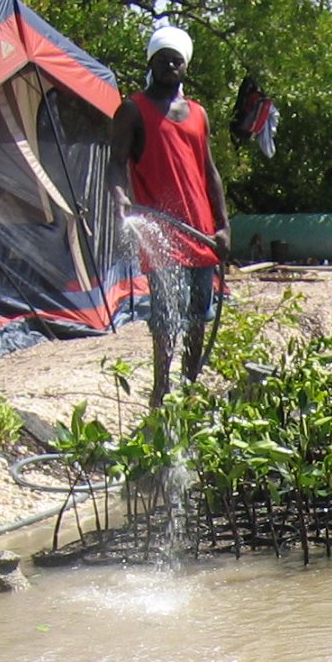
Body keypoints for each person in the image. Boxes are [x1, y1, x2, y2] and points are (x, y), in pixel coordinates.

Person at [111, 25, 229, 404]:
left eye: (176, 60)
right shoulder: (133, 110)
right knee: (165, 317)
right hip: (162, 234)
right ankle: (161, 392)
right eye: (162, 59)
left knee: (200, 316)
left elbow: (210, 171)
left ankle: (190, 386)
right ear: (151, 62)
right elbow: (115, 164)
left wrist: (223, 225)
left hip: (201, 234)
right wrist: (120, 201)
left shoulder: (197, 114)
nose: (169, 65)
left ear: (185, 67)